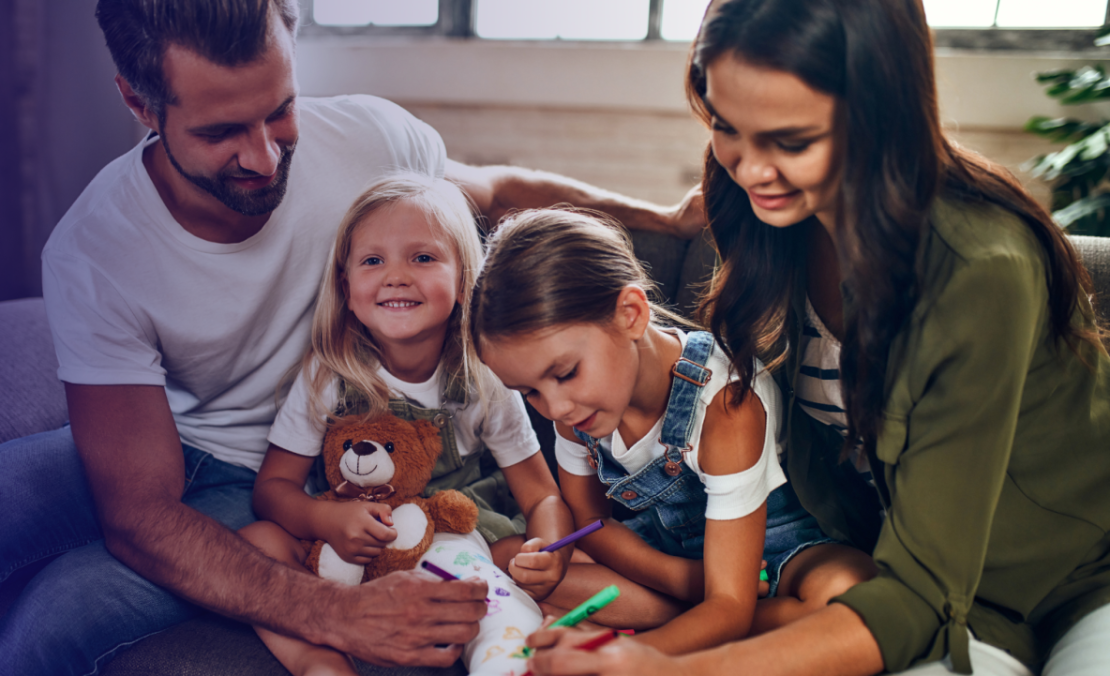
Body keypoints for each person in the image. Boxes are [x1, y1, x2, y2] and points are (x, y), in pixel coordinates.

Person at [0, 1, 704, 674]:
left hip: (290, 470)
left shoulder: (365, 140)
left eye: (279, 109)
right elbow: (141, 512)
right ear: (139, 103)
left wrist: (657, 216)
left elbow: (497, 192)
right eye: (223, 130)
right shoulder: (96, 249)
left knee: (51, 620)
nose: (264, 155)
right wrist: (334, 614)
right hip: (162, 442)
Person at [524, 0, 1110, 675]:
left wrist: (663, 667)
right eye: (726, 125)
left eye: (792, 142)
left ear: (880, 116)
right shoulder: (767, 212)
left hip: (1079, 582)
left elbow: (919, 594)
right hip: (927, 597)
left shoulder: (981, 270)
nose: (749, 169)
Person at [470, 209, 876, 655]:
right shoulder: (573, 409)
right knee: (507, 555)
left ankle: (673, 620)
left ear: (630, 314)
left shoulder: (726, 406)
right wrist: (679, 580)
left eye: (565, 373)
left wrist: (634, 657)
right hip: (668, 555)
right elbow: (588, 522)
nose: (556, 408)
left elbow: (732, 599)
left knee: (846, 594)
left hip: (773, 555)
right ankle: (686, 616)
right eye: (529, 392)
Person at [240, 173, 573, 676]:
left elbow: (542, 496)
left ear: (464, 280)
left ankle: (503, 659)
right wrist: (324, 521)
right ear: (345, 286)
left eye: (423, 257)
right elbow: (273, 488)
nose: (396, 276)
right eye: (373, 260)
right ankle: (320, 663)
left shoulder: (484, 376)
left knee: (494, 580)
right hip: (344, 546)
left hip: (447, 537)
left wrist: (543, 551)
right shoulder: (329, 374)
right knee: (255, 545)